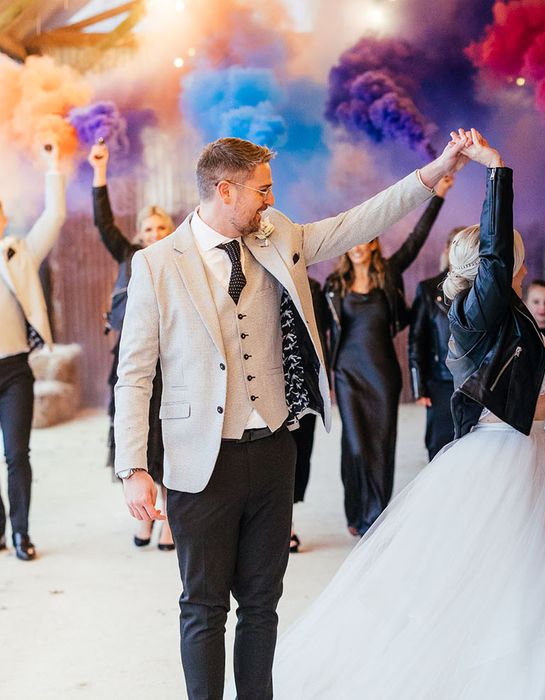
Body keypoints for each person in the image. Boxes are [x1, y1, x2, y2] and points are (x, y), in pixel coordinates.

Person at [266, 128, 545, 700]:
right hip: (504, 459)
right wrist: (496, 170)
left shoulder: (507, 311)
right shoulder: (474, 307)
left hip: (533, 448)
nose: (510, 250)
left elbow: (522, 382)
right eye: (503, 247)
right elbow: (493, 256)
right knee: (514, 581)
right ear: (491, 261)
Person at [114, 135, 465, 699]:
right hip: (198, 458)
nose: (269, 200)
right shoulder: (156, 264)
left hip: (275, 449)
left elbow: (359, 221)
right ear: (224, 191)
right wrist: (133, 464)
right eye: (261, 190)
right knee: (203, 605)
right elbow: (134, 373)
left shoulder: (279, 236)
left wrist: (434, 173)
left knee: (261, 603)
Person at [325, 174, 453, 536]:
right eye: (352, 237)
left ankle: (375, 516)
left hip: (382, 372)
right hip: (348, 372)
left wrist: (438, 194)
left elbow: (417, 239)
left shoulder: (388, 275)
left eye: (364, 236)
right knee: (354, 442)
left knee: (381, 442)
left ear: (374, 241)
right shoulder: (336, 285)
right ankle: (355, 511)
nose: (358, 244)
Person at [88, 142, 175, 551]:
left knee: (167, 439)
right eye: (149, 229)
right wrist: (99, 173)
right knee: (136, 437)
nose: (155, 234)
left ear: (171, 232)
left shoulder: (179, 261)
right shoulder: (131, 256)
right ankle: (144, 518)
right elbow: (104, 223)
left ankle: (170, 520)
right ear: (141, 234)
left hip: (172, 364)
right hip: (131, 359)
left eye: (162, 228)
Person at [0, 141, 65, 561]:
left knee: (16, 454)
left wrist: (53, 166)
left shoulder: (17, 252)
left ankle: (21, 533)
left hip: (14, 372)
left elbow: (54, 215)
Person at [408, 225, 464, 460]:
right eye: (455, 246)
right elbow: (416, 340)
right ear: (447, 250)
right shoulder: (428, 289)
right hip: (439, 380)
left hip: (475, 383)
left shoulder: (483, 290)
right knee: (439, 446)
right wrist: (419, 386)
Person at [289, 274, 329, 553]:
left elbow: (321, 335)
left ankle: (287, 522)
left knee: (300, 453)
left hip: (303, 381)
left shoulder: (312, 287)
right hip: (265, 380)